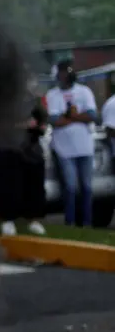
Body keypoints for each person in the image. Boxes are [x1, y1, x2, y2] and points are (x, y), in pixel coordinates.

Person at [0, 80, 48, 236]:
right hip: (9, 148)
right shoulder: (2, 102)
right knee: (9, 186)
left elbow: (42, 123)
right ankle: (8, 220)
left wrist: (38, 126)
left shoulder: (34, 101)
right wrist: (23, 125)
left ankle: (33, 220)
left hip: (31, 150)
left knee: (34, 186)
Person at [46, 59, 99, 227]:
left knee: (87, 187)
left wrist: (68, 117)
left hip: (85, 147)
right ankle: (70, 221)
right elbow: (53, 120)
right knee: (69, 187)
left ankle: (87, 222)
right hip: (63, 149)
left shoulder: (84, 92)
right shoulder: (52, 95)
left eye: (66, 72)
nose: (63, 75)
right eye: (60, 72)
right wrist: (76, 117)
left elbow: (92, 115)